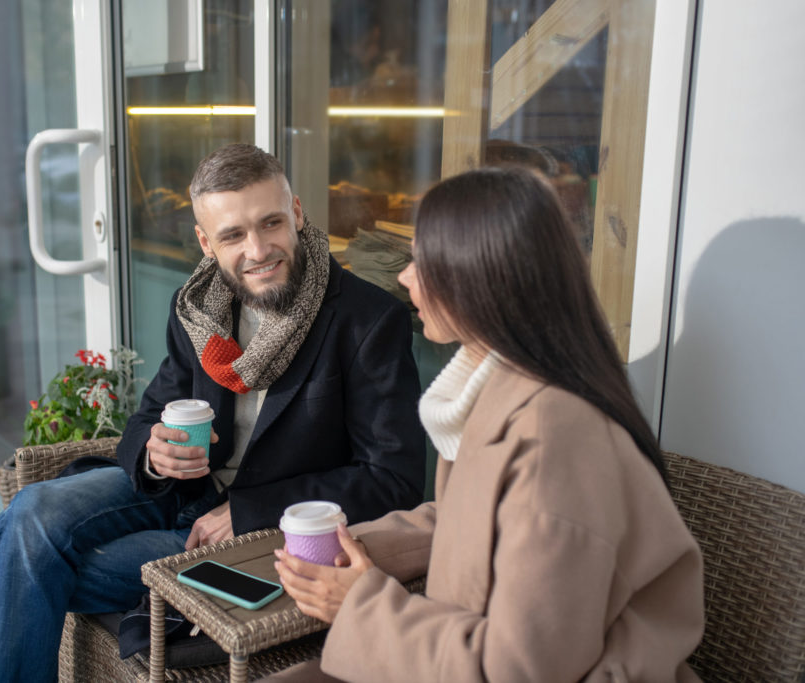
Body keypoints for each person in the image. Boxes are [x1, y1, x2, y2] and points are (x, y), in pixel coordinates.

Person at [0, 143, 426, 681]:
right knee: (32, 514)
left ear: (298, 214)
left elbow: (393, 481)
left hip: (257, 534)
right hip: (179, 489)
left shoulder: (367, 321)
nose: (258, 249)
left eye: (271, 223)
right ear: (206, 243)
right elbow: (148, 416)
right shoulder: (199, 310)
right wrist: (153, 452)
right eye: (233, 235)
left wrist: (250, 511)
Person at [270, 166, 705, 682]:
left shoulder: (556, 438)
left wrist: (360, 602)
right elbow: (470, 519)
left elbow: (521, 668)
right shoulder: (504, 390)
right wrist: (360, 550)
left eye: (422, 262)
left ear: (479, 277)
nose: (405, 277)